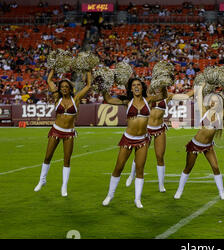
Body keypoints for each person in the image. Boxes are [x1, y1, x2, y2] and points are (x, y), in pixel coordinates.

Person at [101, 78, 163, 208]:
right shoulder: (126, 101)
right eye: (133, 85)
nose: (136, 87)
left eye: (138, 85)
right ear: (130, 88)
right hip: (128, 138)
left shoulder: (149, 100)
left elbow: (164, 95)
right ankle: (110, 195)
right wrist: (103, 85)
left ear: (142, 87)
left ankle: (137, 199)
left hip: (142, 140)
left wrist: (163, 81)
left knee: (140, 169)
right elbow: (109, 99)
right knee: (119, 167)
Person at [34, 69, 92, 197]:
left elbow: (88, 85)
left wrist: (88, 69)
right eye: (62, 87)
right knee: (48, 157)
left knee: (67, 159)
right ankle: (42, 180)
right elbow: (49, 80)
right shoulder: (56, 97)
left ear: (70, 88)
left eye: (66, 87)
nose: (64, 88)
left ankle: (64, 186)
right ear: (60, 88)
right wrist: (54, 68)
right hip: (56, 130)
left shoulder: (76, 98)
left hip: (69, 133)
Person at [126, 86, 195, 192]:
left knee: (160, 157)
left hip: (159, 128)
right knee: (139, 156)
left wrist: (197, 89)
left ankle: (161, 185)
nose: (158, 87)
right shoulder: (148, 96)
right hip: (146, 129)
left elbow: (185, 96)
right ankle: (131, 175)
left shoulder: (167, 96)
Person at [173, 86, 224, 200]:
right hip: (195, 145)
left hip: (208, 146)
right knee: (188, 168)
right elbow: (199, 97)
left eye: (215, 100)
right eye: (212, 100)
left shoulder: (220, 115)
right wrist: (202, 85)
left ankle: (222, 193)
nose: (213, 102)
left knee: (215, 167)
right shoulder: (205, 111)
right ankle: (179, 191)